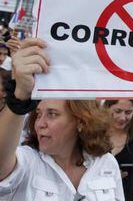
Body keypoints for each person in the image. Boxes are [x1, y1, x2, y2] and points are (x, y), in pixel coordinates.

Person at [0, 38, 125, 200]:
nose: (40, 124)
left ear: (81, 121)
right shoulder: (27, 162)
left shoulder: (106, 163)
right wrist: (21, 95)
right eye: (38, 114)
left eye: (52, 114)